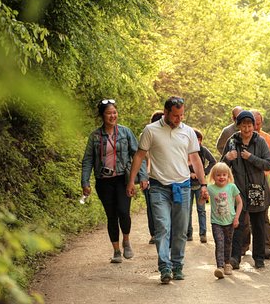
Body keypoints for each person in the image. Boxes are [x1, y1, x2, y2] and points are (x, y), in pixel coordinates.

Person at [127, 96, 209, 284]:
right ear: (165, 112)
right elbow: (140, 156)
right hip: (158, 187)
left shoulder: (187, 132)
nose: (179, 118)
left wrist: (204, 184)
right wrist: (132, 181)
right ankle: (165, 266)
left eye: (181, 115)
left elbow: (195, 159)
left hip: (183, 187)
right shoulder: (151, 130)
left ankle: (177, 265)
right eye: (175, 115)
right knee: (162, 227)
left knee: (180, 230)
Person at [81, 98, 138, 263]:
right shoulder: (95, 136)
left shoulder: (126, 133)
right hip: (103, 181)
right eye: (109, 113)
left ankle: (126, 240)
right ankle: (116, 251)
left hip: (122, 179)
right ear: (102, 116)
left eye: (114, 112)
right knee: (111, 215)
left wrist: (140, 177)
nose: (113, 116)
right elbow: (88, 160)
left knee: (123, 212)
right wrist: (85, 182)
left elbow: (137, 155)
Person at [222, 110, 270, 269]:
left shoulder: (261, 141)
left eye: (250, 125)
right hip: (238, 190)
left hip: (257, 189)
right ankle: (235, 258)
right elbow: (221, 167)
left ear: (254, 126)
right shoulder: (232, 142)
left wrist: (250, 157)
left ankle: (259, 258)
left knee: (258, 225)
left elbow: (269, 163)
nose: (247, 129)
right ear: (238, 126)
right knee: (237, 224)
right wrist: (227, 159)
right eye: (243, 125)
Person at [251, 109, 270, 259]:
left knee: (264, 215)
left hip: (262, 179)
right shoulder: (241, 137)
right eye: (253, 123)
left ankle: (266, 247)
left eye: (259, 123)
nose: (256, 127)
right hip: (246, 180)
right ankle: (243, 247)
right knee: (245, 217)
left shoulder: (267, 138)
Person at [207, 162, 243, 279]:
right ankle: (220, 267)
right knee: (219, 242)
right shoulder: (210, 188)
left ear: (228, 176)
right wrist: (202, 198)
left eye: (224, 174)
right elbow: (202, 202)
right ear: (213, 176)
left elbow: (239, 202)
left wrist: (236, 217)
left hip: (230, 221)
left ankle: (227, 264)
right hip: (216, 222)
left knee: (228, 243)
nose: (221, 177)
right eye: (218, 175)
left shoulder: (232, 187)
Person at [138, 110, 163, 245]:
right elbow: (142, 158)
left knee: (155, 206)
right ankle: (154, 233)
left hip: (159, 175)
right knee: (151, 206)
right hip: (149, 175)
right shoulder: (146, 135)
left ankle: (158, 233)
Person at [187, 129, 216, 242]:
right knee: (187, 210)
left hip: (200, 185)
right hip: (188, 184)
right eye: (195, 139)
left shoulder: (203, 150)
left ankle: (202, 234)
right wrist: (189, 174)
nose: (197, 141)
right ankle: (188, 233)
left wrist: (203, 172)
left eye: (199, 139)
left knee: (201, 210)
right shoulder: (186, 150)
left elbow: (213, 161)